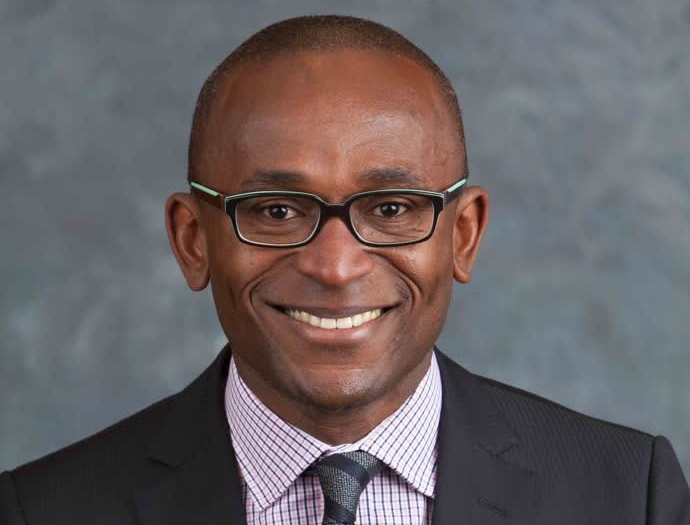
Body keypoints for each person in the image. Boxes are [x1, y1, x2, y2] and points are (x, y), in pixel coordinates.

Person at [1, 14, 688, 525]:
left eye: (391, 206)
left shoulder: (627, 495)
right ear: (192, 240)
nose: (334, 266)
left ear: (465, 235)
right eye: (275, 211)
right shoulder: (44, 509)